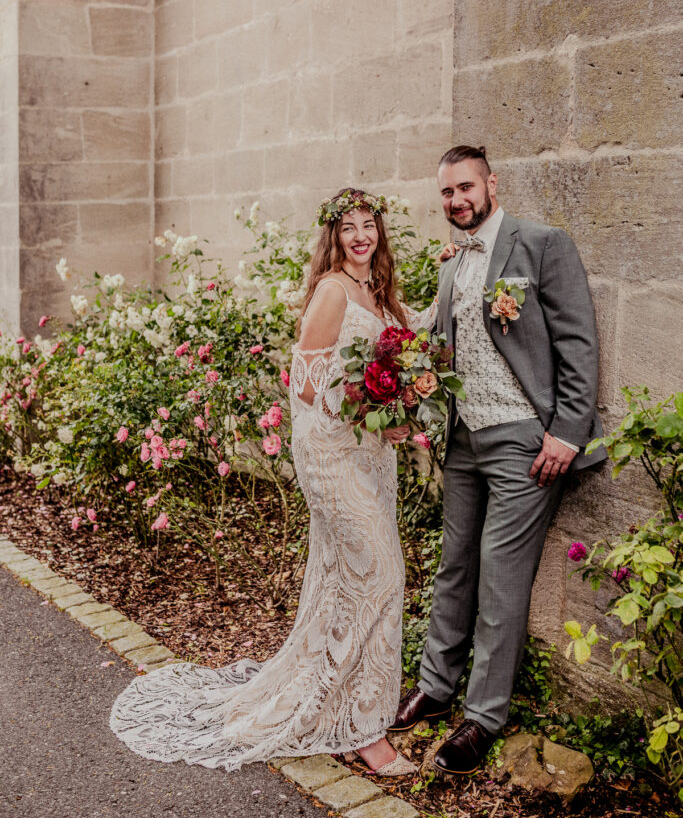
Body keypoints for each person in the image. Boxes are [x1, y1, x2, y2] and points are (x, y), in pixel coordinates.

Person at [110, 188, 436, 778]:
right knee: (382, 576)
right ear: (334, 236)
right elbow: (305, 384)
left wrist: (450, 277)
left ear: (379, 232)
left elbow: (409, 340)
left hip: (371, 457)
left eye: (369, 225)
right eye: (349, 227)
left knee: (351, 582)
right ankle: (365, 730)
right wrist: (372, 411)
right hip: (332, 457)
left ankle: (341, 708)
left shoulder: (379, 290)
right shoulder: (333, 290)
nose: (360, 236)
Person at [389, 145, 606, 776]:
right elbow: (441, 347)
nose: (457, 200)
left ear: (491, 184)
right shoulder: (452, 262)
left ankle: (483, 718)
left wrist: (567, 432)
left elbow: (578, 342)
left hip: (525, 442)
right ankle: (435, 686)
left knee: (500, 578)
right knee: (454, 567)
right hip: (464, 439)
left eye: (466, 187)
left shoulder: (541, 243)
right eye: (446, 192)